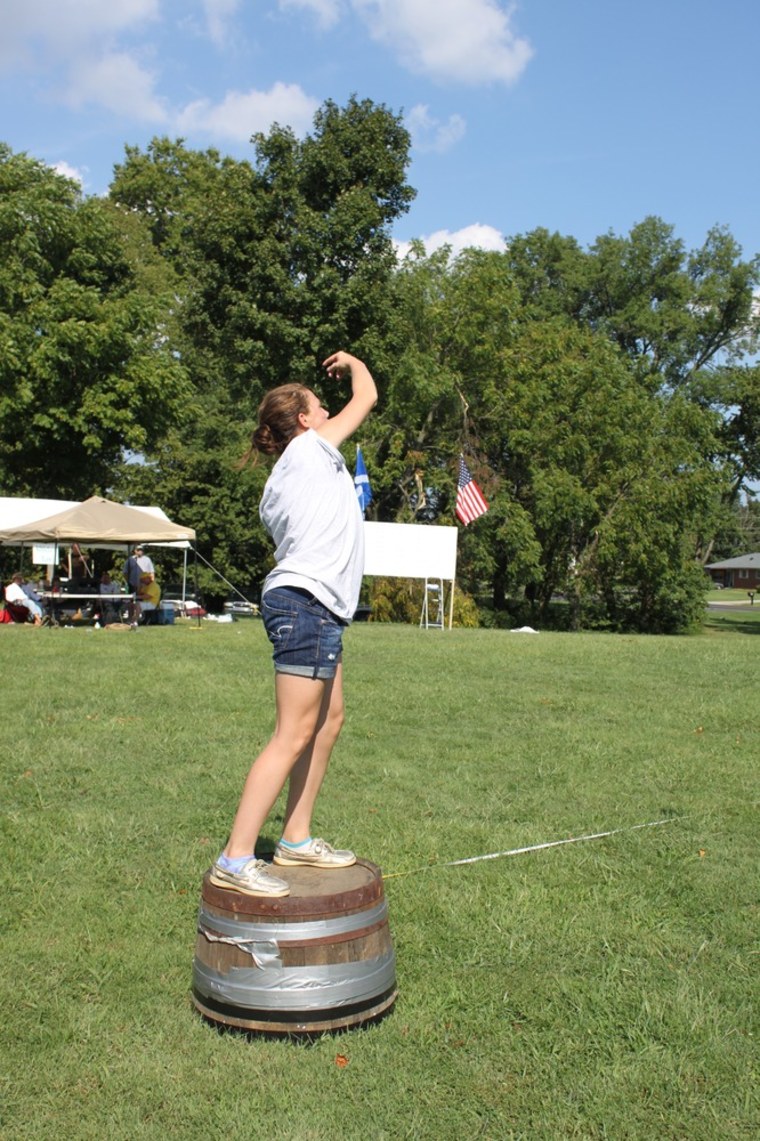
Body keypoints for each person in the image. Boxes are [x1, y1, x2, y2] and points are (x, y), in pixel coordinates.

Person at [210, 350, 377, 898]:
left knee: (328, 721)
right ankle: (235, 858)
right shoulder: (309, 448)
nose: (327, 411)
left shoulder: (293, 470)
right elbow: (367, 396)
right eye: (318, 405)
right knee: (294, 732)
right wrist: (353, 363)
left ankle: (295, 838)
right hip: (305, 603)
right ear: (303, 420)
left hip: (317, 606)